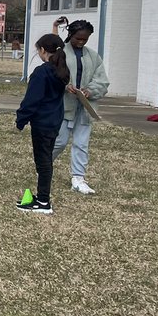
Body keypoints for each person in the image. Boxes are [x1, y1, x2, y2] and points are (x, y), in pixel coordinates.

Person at [52, 18, 110, 195]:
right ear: (71, 35)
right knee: (60, 141)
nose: (81, 42)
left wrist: (90, 91)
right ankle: (43, 163)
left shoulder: (93, 56)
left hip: (85, 108)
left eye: (85, 39)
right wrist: (64, 86)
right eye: (78, 38)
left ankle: (78, 178)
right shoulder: (60, 53)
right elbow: (52, 75)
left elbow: (102, 80)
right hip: (63, 106)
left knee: (81, 143)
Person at [15, 33, 70, 214]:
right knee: (46, 159)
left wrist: (21, 119)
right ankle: (42, 198)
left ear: (43, 50)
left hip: (42, 122)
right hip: (54, 120)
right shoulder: (61, 71)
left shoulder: (42, 72)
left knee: (43, 161)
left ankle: (43, 201)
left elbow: (32, 99)